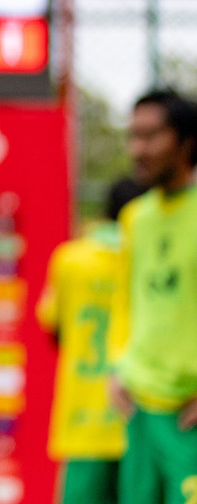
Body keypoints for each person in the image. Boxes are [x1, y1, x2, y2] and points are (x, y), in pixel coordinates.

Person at [109, 90, 197, 504]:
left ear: (186, 142)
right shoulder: (135, 218)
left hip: (189, 414)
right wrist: (117, 367)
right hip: (140, 408)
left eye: (150, 136)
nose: (136, 149)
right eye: (133, 136)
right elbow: (126, 300)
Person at [37, 176, 146, 504]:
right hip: (143, 415)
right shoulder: (149, 259)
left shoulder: (71, 259)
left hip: (83, 414)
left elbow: (53, 326)